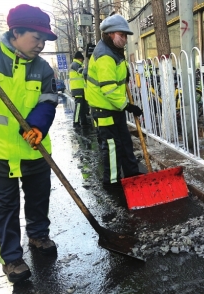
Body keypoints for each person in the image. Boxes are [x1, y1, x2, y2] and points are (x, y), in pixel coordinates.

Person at [0, 4, 58, 283]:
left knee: (39, 197)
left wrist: (38, 127)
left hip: (33, 147)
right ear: (16, 32)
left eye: (44, 40)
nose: (41, 45)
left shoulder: (42, 68)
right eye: (36, 38)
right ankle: (11, 258)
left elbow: (48, 101)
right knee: (5, 206)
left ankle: (39, 234)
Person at [85, 14, 143, 190]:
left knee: (125, 142)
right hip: (104, 109)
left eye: (126, 36)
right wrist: (128, 106)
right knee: (112, 146)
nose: (125, 39)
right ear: (110, 34)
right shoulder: (105, 56)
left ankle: (132, 174)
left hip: (114, 107)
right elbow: (108, 88)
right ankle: (111, 182)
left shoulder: (114, 51)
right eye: (122, 35)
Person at [69, 51, 89, 128]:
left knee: (83, 106)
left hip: (81, 89)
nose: (82, 61)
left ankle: (84, 122)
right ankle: (76, 122)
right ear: (79, 58)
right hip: (78, 89)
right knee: (78, 107)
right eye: (82, 59)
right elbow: (83, 72)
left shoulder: (76, 64)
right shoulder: (75, 64)